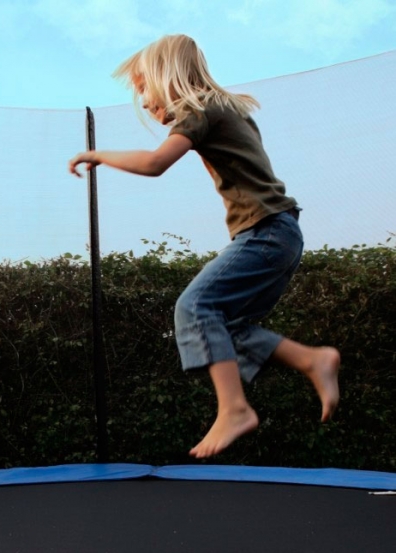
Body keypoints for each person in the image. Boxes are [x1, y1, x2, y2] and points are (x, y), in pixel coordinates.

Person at [68, 34, 340, 458]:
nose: (142, 101)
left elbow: (155, 164)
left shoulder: (200, 109)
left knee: (194, 307)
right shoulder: (227, 109)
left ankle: (233, 409)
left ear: (167, 78)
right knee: (229, 329)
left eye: (143, 88)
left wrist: (99, 155)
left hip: (266, 233)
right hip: (281, 234)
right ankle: (311, 359)